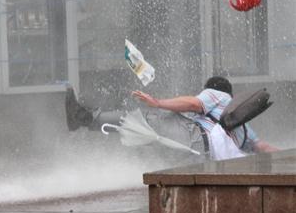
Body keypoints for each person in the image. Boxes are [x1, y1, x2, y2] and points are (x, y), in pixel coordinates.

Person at [65, 76, 279, 159]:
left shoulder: (219, 94)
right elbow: (263, 148)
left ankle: (84, 118)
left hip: (195, 137)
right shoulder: (245, 129)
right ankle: (91, 122)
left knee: (141, 121)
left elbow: (193, 104)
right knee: (144, 139)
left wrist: (158, 103)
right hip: (199, 157)